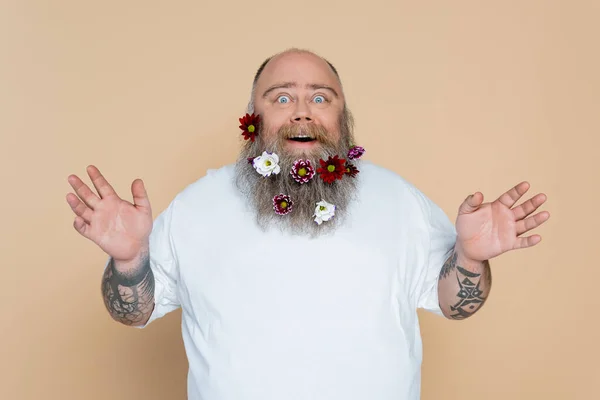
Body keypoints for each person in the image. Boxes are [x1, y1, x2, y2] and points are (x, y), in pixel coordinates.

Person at [66, 48, 550, 400]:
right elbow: (133, 312)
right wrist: (129, 261)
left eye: (321, 97)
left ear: (343, 118)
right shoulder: (197, 205)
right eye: (280, 98)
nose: (302, 110)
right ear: (252, 119)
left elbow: (455, 306)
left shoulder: (400, 200)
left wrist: (469, 258)